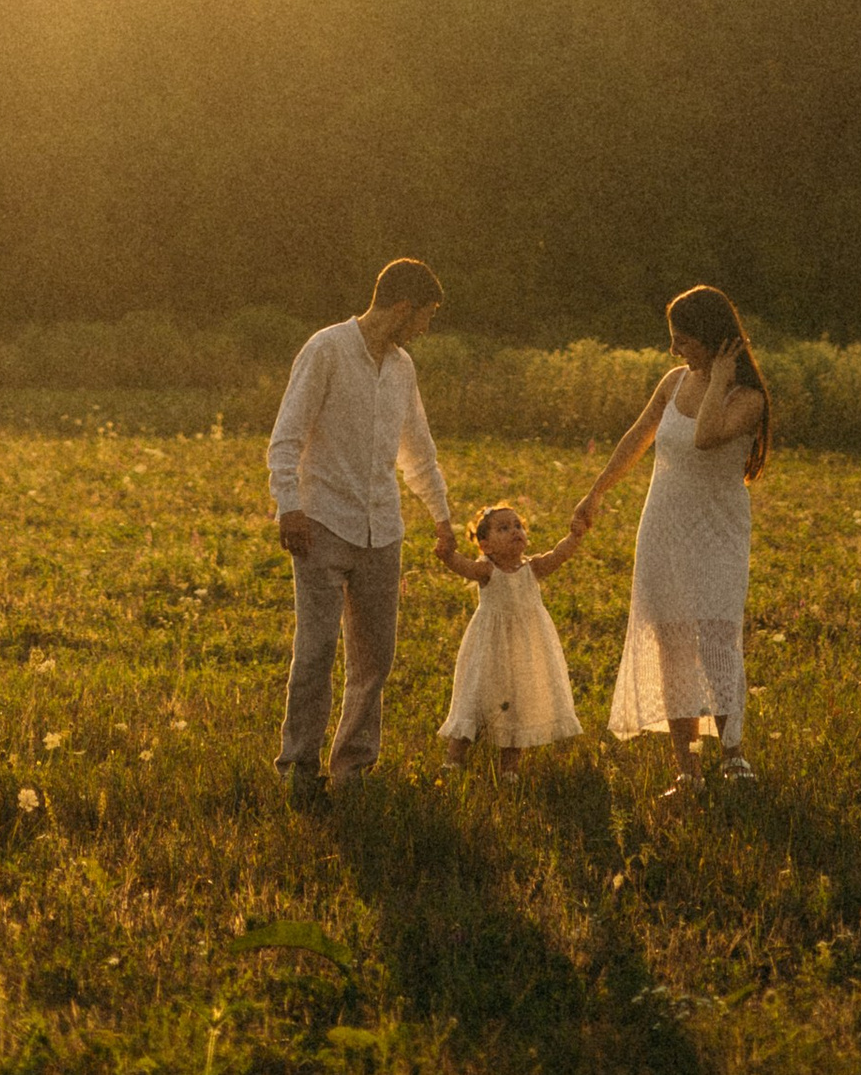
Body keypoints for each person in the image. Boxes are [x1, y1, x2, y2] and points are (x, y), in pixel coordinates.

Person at [267, 258, 456, 794]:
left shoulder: (401, 368)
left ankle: (353, 772)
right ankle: (298, 772)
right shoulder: (325, 350)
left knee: (375, 660)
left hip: (382, 530)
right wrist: (289, 505)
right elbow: (286, 437)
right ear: (401, 308)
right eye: (424, 317)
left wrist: (441, 516)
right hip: (321, 522)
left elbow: (417, 448)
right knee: (317, 651)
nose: (424, 328)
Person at [575, 285, 772, 796]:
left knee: (717, 639)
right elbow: (638, 436)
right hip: (662, 528)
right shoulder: (671, 383)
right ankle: (686, 770)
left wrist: (720, 380)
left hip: (716, 533)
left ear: (714, 340)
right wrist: (596, 493)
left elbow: (706, 437)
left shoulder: (747, 399)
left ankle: (733, 757)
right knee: (671, 644)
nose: (674, 352)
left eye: (683, 341)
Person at [436, 498, 592, 780]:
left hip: (524, 649)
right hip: (490, 649)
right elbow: (464, 567)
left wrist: (574, 536)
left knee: (518, 702)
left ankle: (509, 768)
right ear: (486, 546)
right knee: (475, 698)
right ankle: (455, 758)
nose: (514, 531)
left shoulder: (532, 568)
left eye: (518, 525)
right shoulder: (487, 570)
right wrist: (448, 556)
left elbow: (559, 555)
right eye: (504, 528)